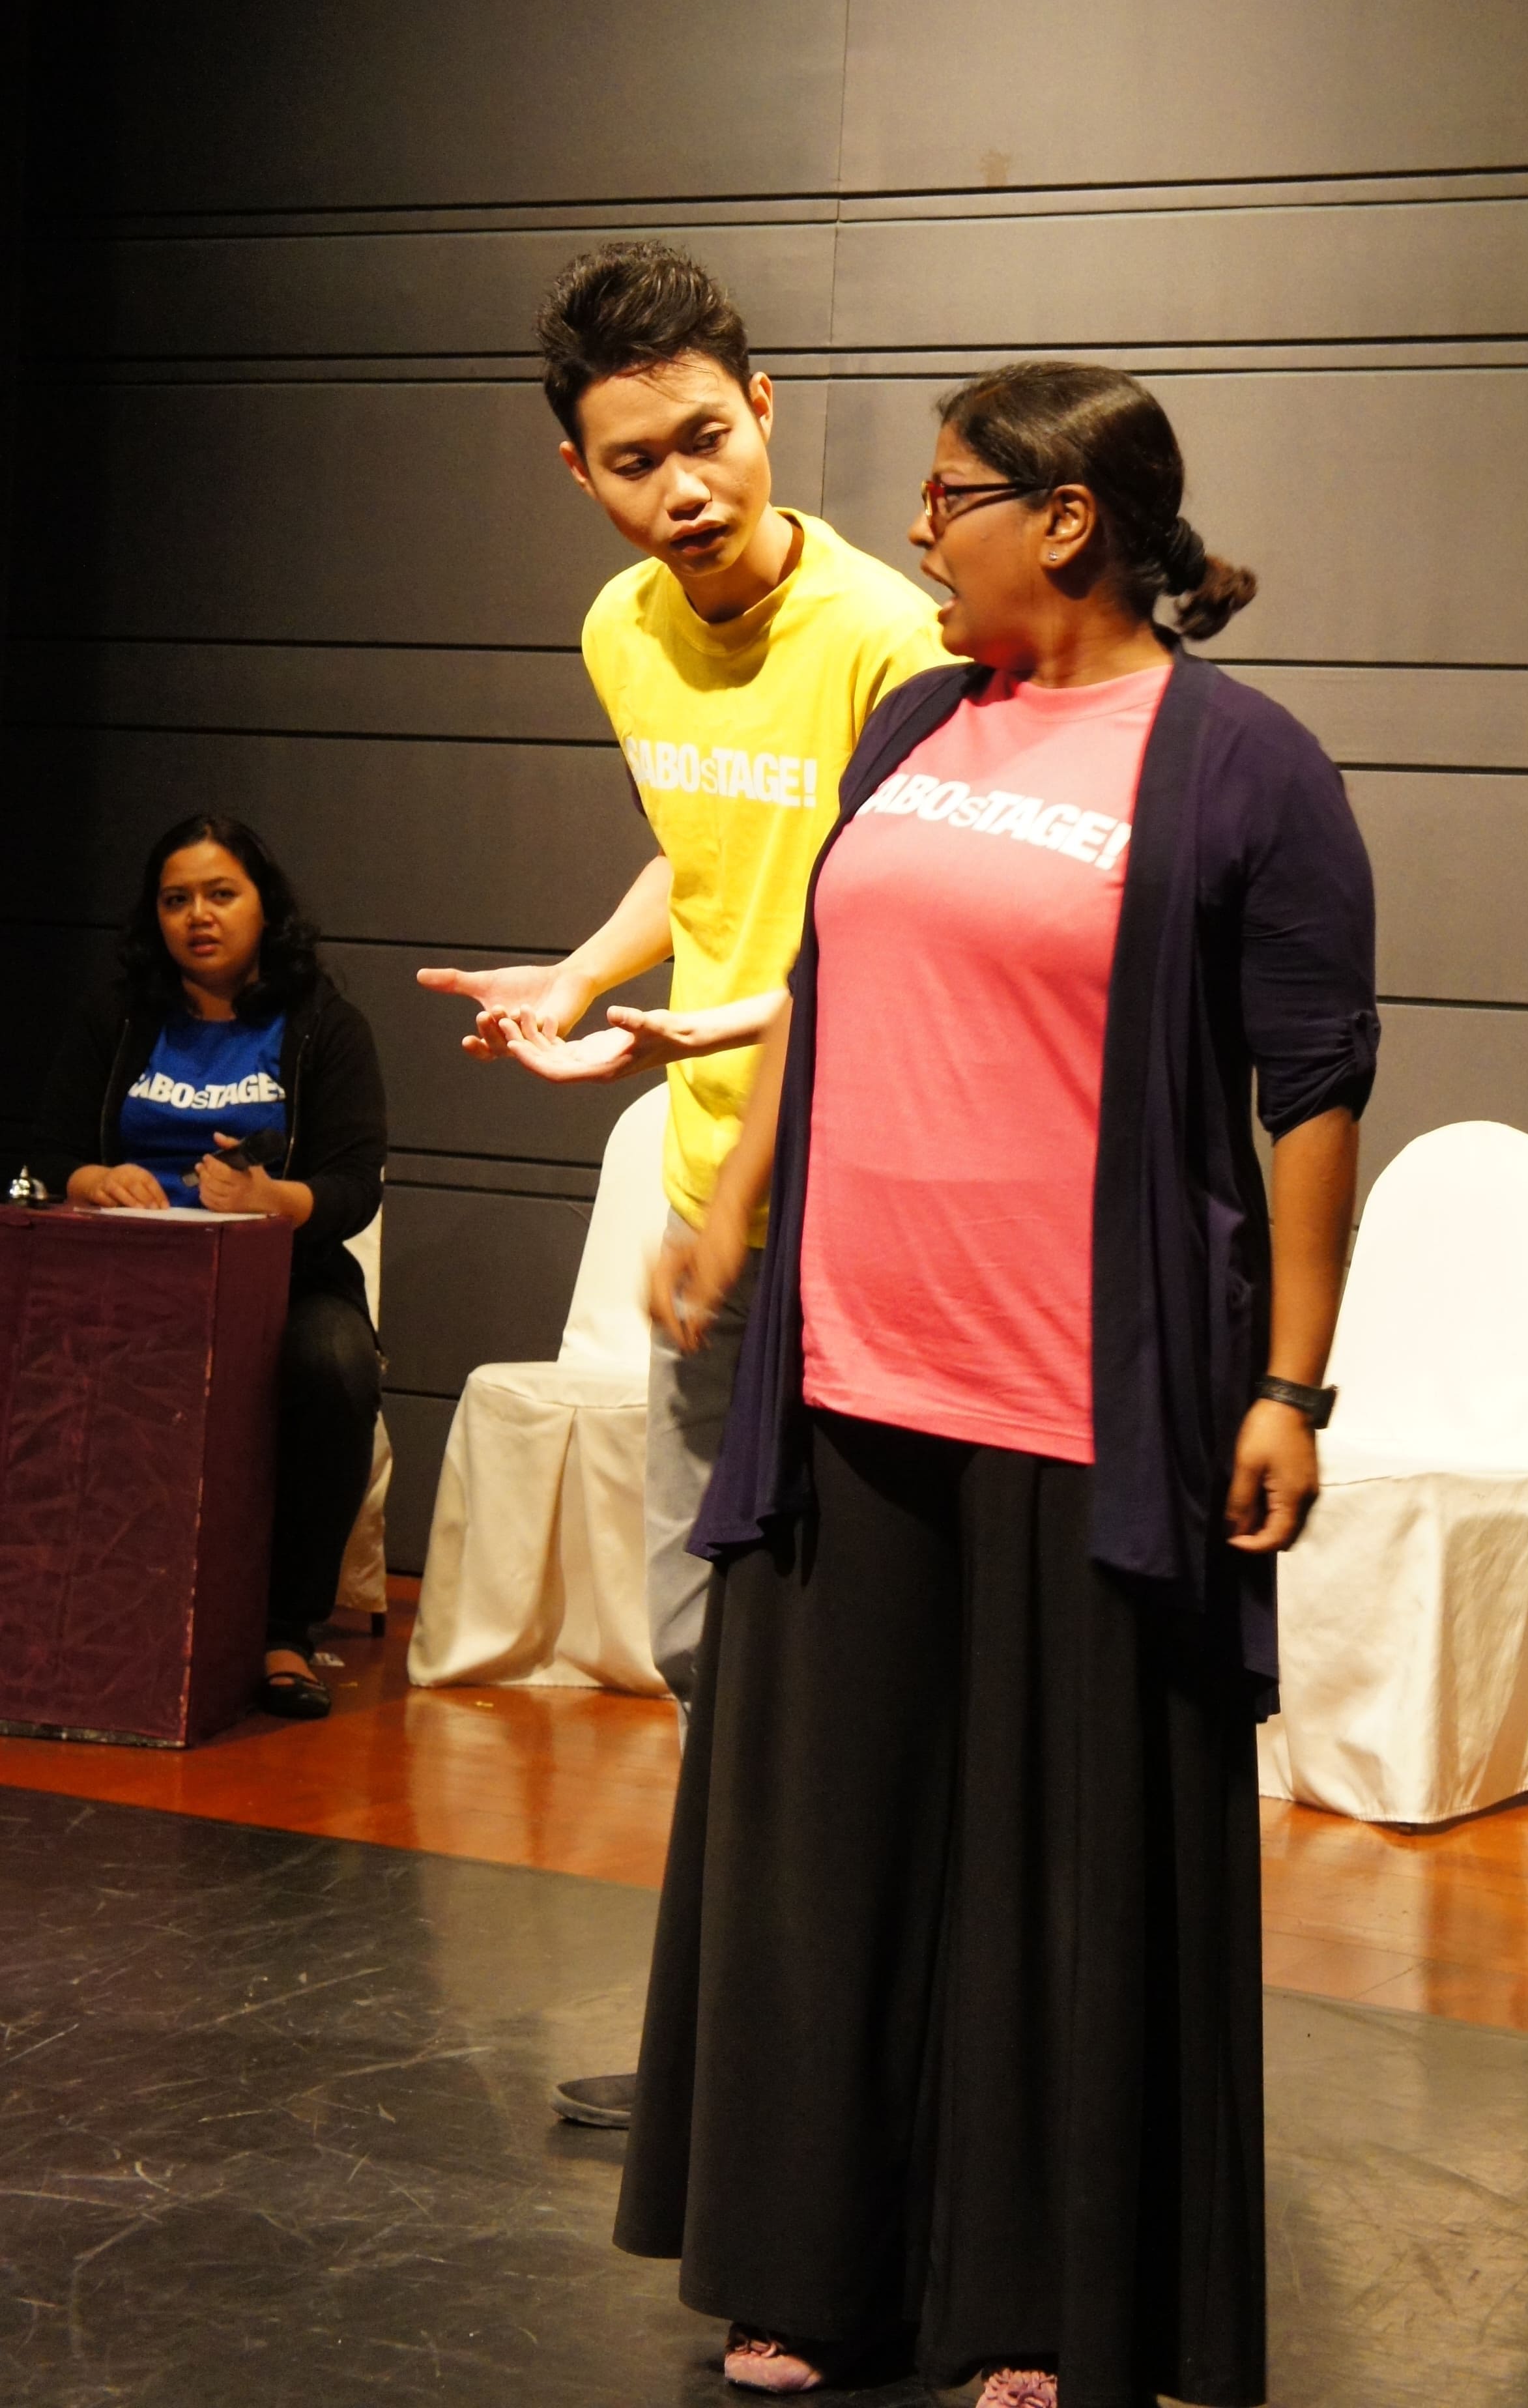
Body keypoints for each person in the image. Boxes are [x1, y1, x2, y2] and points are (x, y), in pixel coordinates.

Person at [615, 363, 1379, 2408]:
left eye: (950, 495)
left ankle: (1036, 2305)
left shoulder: (1240, 763)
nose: (918, 529)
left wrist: (1291, 1383)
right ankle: (816, 2266)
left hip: (1084, 1400)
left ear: (1065, 521)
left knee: (1054, 1871)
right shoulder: (914, 722)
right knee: (836, 1847)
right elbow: (826, 989)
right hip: (858, 1368)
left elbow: (1311, 1100)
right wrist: (734, 1216)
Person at [418, 239, 946, 2127]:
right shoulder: (618, 627)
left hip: (870, 1208)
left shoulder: (893, 638)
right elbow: (702, 856)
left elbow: (888, 949)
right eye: (638, 463)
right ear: (582, 473)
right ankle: (752, 2051)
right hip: (716, 1192)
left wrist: (713, 1136)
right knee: (705, 1637)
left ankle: (874, 2065)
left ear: (767, 409)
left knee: (860, 1661)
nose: (687, 490)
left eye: (709, 439)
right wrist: (582, 979)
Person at [35, 814, 386, 1723]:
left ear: (265, 908)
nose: (199, 916)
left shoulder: (325, 1027)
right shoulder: (115, 1020)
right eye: (176, 899)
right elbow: (49, 1155)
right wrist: (94, 1177)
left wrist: (276, 1201)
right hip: (130, 1276)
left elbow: (352, 1186)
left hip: (285, 1278)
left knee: (336, 1365)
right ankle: (72, 1606)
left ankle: (285, 1628)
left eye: (221, 894)